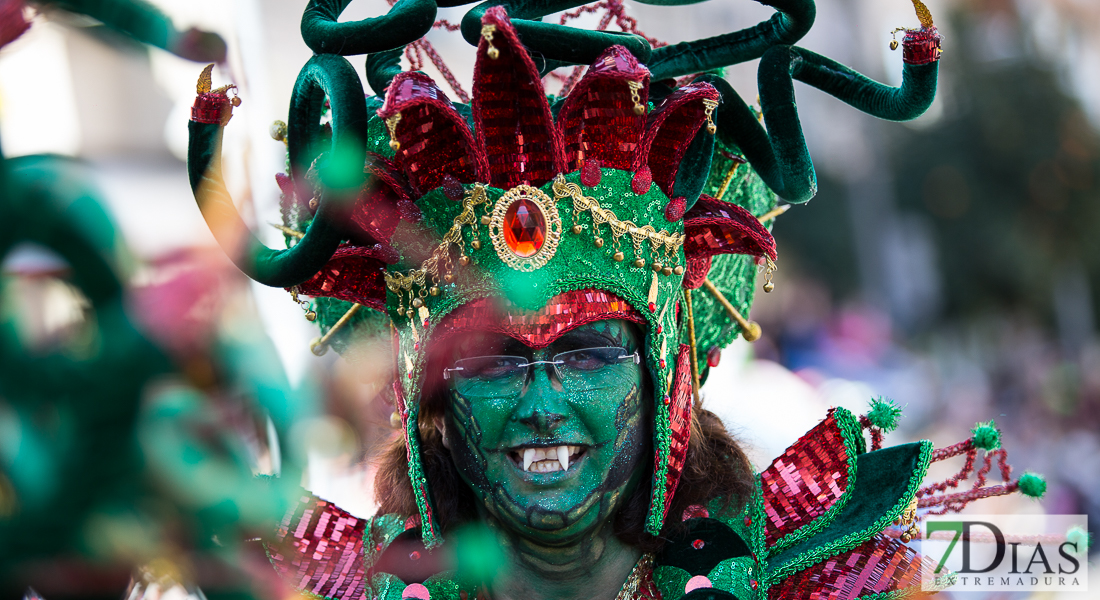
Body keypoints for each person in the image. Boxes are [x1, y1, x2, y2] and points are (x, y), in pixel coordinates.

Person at [185, 2, 1044, 599]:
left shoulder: (818, 556)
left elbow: (1049, 563)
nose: (542, 399)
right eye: (488, 358)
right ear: (430, 401)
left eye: (590, 351)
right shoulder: (331, 584)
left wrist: (1032, 559)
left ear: (660, 371)